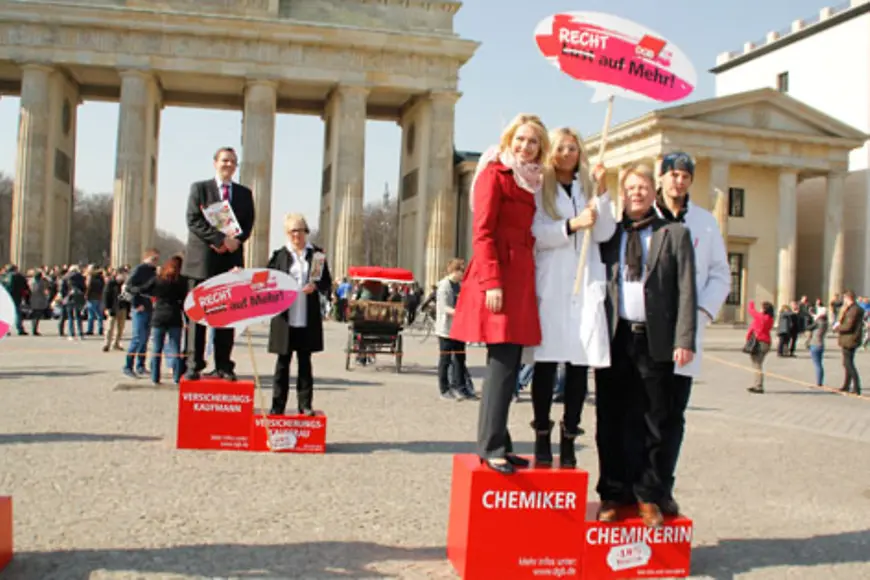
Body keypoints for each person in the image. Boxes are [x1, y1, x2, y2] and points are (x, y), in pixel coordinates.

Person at [593, 163, 697, 527]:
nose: (637, 193)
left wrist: (685, 339)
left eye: (643, 187)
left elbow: (687, 291)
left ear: (654, 192)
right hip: (614, 337)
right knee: (610, 418)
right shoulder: (609, 235)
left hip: (655, 340)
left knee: (653, 420)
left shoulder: (674, 234)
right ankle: (612, 491)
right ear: (623, 193)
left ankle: (647, 493)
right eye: (631, 187)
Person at [450, 113, 549, 474]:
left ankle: (501, 442)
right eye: (520, 139)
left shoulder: (533, 182)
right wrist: (492, 281)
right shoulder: (495, 173)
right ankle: (490, 445)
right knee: (501, 365)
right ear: (509, 139)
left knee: (509, 364)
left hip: (521, 275)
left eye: (533, 141)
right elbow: (483, 232)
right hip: (501, 276)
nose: (525, 146)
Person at [530, 126, 614, 468]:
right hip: (554, 281)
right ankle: (540, 433)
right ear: (552, 152)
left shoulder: (589, 188)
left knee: (579, 362)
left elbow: (606, 232)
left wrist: (604, 195)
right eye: (561, 148)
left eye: (573, 148)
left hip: (585, 281)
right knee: (547, 361)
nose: (567, 154)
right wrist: (570, 226)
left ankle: (569, 434)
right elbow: (536, 233)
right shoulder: (540, 188)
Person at [652, 152, 730, 515]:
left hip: (685, 332)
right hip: (645, 332)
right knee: (644, 414)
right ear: (662, 177)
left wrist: (699, 314)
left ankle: (664, 486)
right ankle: (641, 487)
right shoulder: (644, 214)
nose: (678, 181)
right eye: (672, 175)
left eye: (684, 176)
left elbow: (720, 274)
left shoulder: (705, 222)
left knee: (672, 416)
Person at [181, 146, 255, 381]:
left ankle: (224, 364)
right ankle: (194, 363)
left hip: (230, 260)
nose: (228, 165)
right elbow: (193, 219)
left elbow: (248, 223)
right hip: (202, 259)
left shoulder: (244, 193)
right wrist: (219, 239)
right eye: (224, 161)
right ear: (215, 163)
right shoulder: (200, 188)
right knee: (197, 314)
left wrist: (236, 242)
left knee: (226, 315)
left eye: (233, 162)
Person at [267, 214, 332, 415]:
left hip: (306, 314)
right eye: (293, 231)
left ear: (306, 231)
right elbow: (267, 280)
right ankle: (278, 406)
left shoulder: (317, 255)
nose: (297, 235)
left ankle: (305, 405)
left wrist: (316, 285)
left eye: (301, 230)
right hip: (285, 317)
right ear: (287, 233)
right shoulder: (279, 255)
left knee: (305, 364)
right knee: (282, 365)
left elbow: (326, 282)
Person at [134, 255, 188, 385]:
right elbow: (185, 301)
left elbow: (142, 289)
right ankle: (176, 377)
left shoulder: (158, 279)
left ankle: (155, 377)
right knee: (175, 348)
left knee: (157, 348)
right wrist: (187, 319)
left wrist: (132, 289)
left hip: (158, 315)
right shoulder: (181, 281)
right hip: (174, 315)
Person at [435, 258, 471, 400]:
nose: (463, 275)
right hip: (446, 329)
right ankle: (444, 389)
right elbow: (444, 307)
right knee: (445, 360)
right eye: (462, 271)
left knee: (460, 359)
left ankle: (460, 387)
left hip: (459, 329)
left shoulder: (459, 286)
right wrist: (461, 313)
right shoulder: (444, 286)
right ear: (455, 271)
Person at [122, 249, 160, 378]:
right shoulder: (139, 269)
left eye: (157, 260)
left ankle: (140, 365)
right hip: (140, 306)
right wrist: (136, 304)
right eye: (154, 259)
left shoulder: (153, 271)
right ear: (147, 258)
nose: (156, 262)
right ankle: (128, 366)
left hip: (149, 306)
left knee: (144, 339)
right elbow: (128, 287)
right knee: (137, 338)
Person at [834, 290, 863, 395]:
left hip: (850, 339)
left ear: (848, 298)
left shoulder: (854, 310)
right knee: (847, 363)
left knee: (848, 363)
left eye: (845, 298)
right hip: (850, 338)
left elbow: (848, 326)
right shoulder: (853, 309)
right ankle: (846, 385)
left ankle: (856, 386)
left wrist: (838, 328)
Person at [746, 300, 775, 394]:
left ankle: (758, 386)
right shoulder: (770, 319)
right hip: (766, 342)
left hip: (760, 342)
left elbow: (751, 311)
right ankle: (756, 384)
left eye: (762, 308)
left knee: (757, 364)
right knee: (757, 363)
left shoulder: (762, 318)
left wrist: (751, 303)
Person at [807, 307, 828, 387]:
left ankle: (819, 382)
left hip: (815, 344)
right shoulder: (825, 323)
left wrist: (813, 318)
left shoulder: (818, 322)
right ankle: (820, 381)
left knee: (817, 364)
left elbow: (808, 327)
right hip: (821, 344)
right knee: (819, 363)